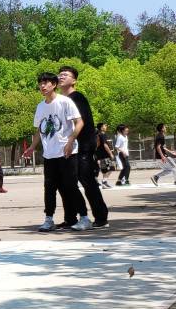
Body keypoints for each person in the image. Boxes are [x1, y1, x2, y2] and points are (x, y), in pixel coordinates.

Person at [33, 72, 90, 232]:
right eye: (40, 83)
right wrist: (32, 147)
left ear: (54, 85)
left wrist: (71, 141)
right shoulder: (40, 106)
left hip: (67, 152)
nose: (42, 86)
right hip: (49, 154)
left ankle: (85, 218)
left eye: (46, 83)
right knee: (49, 188)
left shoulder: (65, 102)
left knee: (70, 186)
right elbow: (39, 130)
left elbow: (80, 122)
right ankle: (49, 219)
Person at [57, 66, 107, 227]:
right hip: (69, 146)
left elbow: (81, 122)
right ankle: (70, 218)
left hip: (82, 145)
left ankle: (101, 217)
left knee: (86, 180)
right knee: (66, 182)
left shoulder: (77, 97)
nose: (61, 76)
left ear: (74, 80)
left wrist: (72, 140)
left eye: (65, 75)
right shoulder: (61, 100)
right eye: (60, 74)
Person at [95, 122, 116, 189]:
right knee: (111, 168)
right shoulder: (103, 134)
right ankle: (104, 181)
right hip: (105, 155)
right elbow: (105, 145)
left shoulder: (98, 135)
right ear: (101, 128)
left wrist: (97, 155)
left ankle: (105, 183)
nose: (106, 127)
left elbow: (97, 145)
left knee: (104, 169)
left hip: (100, 155)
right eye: (105, 126)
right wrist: (110, 153)